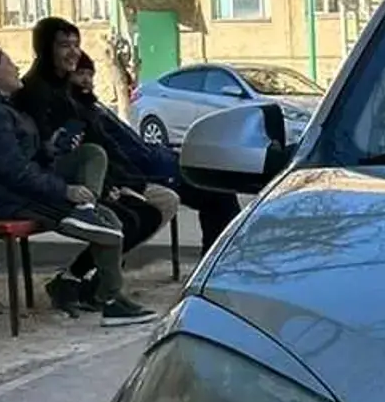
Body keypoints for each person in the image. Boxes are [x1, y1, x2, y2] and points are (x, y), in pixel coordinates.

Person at [20, 20, 240, 278]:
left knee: (214, 187)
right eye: (64, 45)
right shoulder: (43, 95)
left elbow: (111, 145)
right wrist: (123, 182)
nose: (73, 54)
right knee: (208, 196)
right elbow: (73, 152)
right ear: (46, 49)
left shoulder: (80, 99)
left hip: (140, 167)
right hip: (125, 176)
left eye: (76, 45)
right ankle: (211, 273)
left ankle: (214, 269)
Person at [0, 48, 152, 325]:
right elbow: (14, 171)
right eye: (9, 63)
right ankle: (111, 300)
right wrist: (64, 190)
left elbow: (25, 157)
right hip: (9, 198)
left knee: (93, 158)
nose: (16, 67)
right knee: (109, 228)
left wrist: (50, 147)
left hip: (24, 188)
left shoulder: (3, 108)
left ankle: (87, 207)